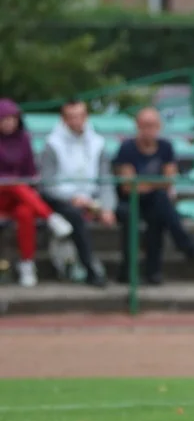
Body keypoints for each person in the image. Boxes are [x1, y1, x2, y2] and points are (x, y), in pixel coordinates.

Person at [112, 107, 194, 285]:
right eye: (144, 125)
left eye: (152, 125)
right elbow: (129, 187)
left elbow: (168, 181)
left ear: (159, 126)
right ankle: (186, 246)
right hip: (129, 202)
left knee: (159, 209)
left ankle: (150, 271)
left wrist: (145, 183)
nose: (148, 130)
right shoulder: (127, 148)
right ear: (137, 126)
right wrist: (156, 183)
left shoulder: (165, 147)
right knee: (158, 203)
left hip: (153, 201)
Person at [39, 99, 116, 287]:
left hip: (92, 199)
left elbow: (106, 180)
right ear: (64, 119)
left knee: (129, 213)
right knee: (75, 216)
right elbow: (46, 184)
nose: (76, 121)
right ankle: (90, 268)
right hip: (62, 199)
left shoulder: (98, 143)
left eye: (80, 116)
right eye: (71, 117)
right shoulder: (52, 144)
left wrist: (107, 207)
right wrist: (72, 198)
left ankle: (130, 273)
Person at [0, 98, 74, 287]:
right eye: (4, 119)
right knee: (13, 183)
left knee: (25, 213)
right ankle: (50, 217)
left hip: (20, 195)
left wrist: (27, 184)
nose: (8, 122)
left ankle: (27, 265)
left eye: (12, 118)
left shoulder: (24, 139)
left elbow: (31, 172)